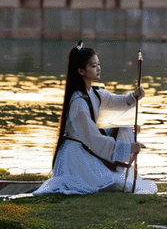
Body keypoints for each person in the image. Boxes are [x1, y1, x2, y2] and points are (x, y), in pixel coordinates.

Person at [34, 42, 157, 195]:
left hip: (85, 151)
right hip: (75, 158)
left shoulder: (95, 93)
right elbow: (93, 138)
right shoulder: (78, 103)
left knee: (123, 136)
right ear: (81, 71)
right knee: (113, 182)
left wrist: (133, 96)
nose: (99, 68)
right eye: (93, 66)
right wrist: (127, 148)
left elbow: (115, 101)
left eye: (98, 64)